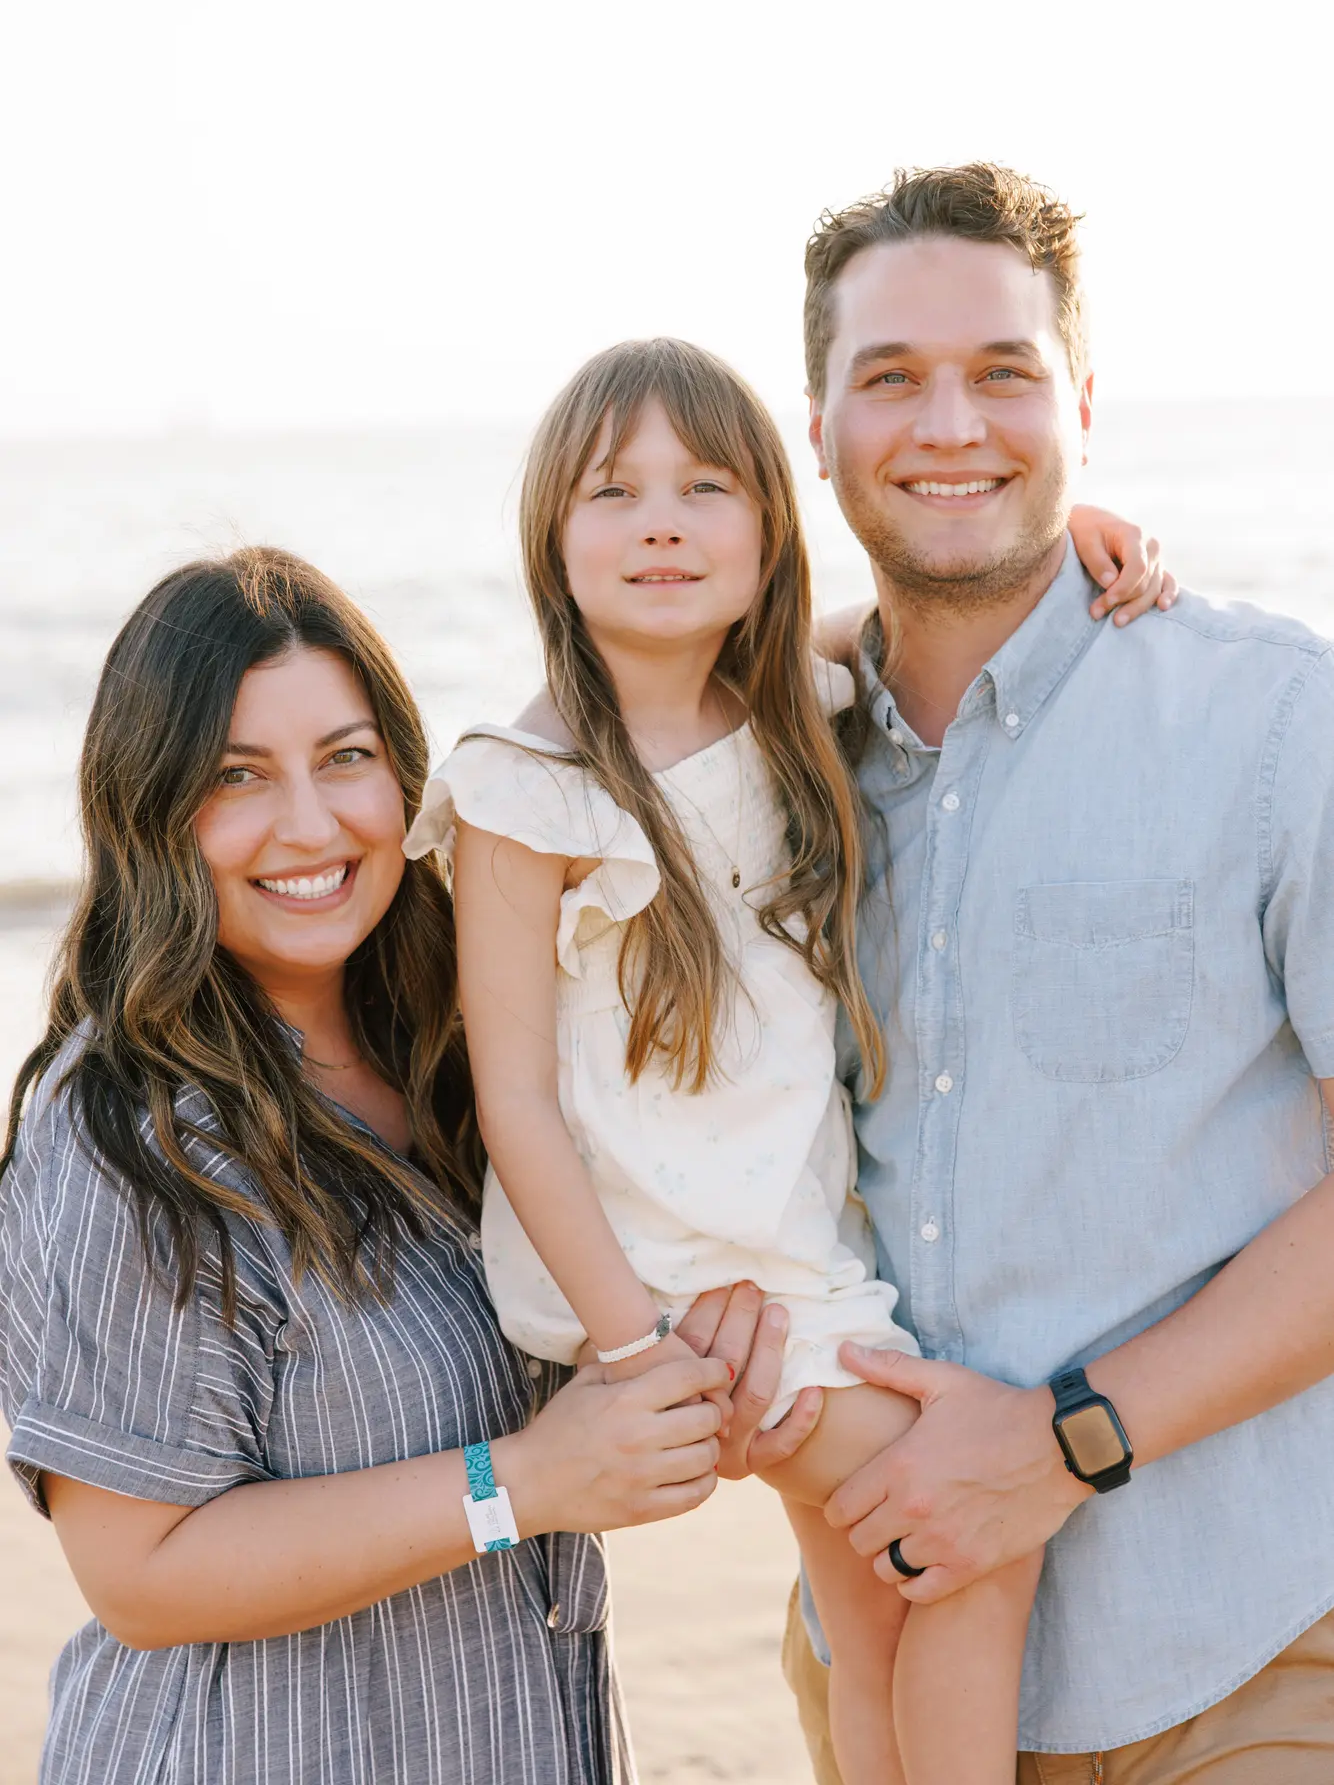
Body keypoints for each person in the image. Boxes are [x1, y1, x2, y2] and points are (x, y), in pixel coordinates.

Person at [407, 338, 1171, 1782]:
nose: (660, 522)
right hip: (672, 1282)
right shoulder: (527, 785)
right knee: (968, 1547)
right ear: (548, 538)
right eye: (610, 492)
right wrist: (634, 1349)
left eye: (706, 487)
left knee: (875, 1611)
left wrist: (1062, 543)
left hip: (796, 1252)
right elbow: (511, 1096)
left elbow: (914, 621)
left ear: (769, 524)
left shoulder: (785, 715)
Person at [0, 546, 793, 1785]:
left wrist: (674, 1402)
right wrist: (520, 1481)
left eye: (346, 757)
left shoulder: (471, 1061)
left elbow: (702, 708)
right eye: (236, 777)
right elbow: (140, 1572)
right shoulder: (125, 1128)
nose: (311, 824)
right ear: (149, 809)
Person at [781, 163, 1334, 1783]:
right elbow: (552, 768)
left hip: (1239, 1647)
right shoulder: (768, 776)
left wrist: (1063, 1443)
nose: (947, 422)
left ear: (1079, 405)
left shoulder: (1269, 725)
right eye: (886, 379)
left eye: (1000, 374)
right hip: (882, 1658)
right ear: (811, 430)